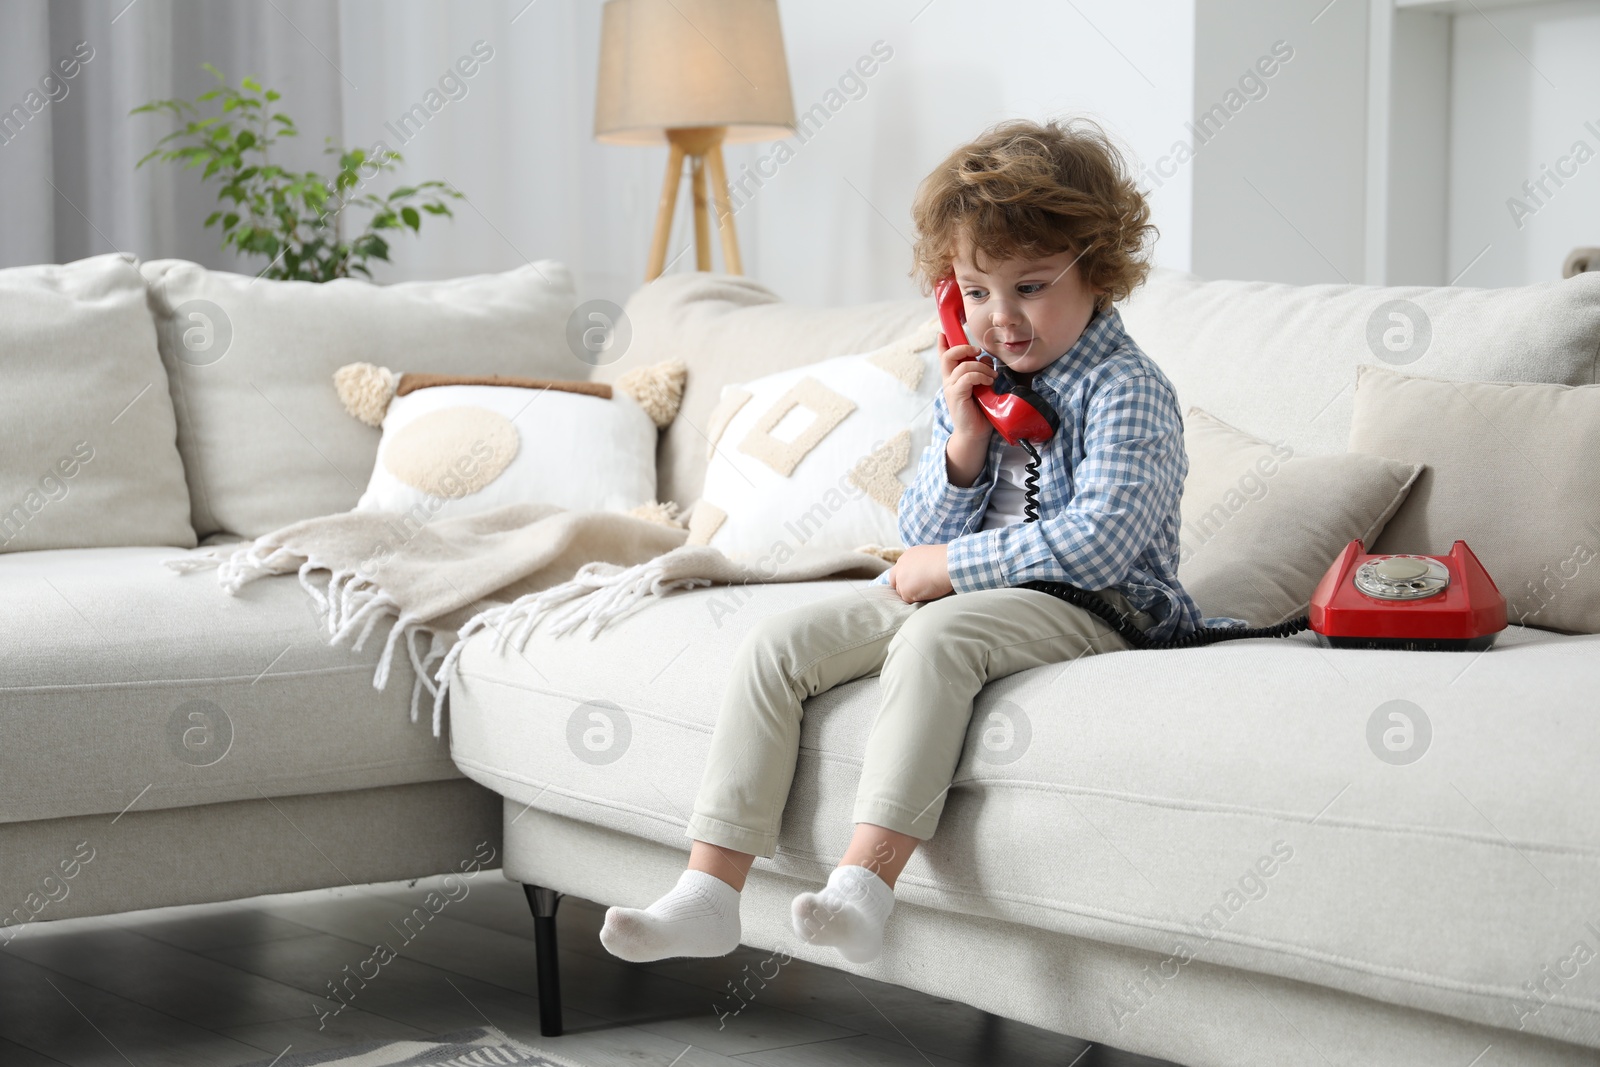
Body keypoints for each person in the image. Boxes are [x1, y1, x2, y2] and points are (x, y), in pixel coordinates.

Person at [599, 116, 1216, 965]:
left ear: (1098, 274)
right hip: (975, 589)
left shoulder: (1127, 390)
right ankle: (710, 891)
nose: (1001, 318)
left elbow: (1102, 543)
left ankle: (865, 882)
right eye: (975, 290)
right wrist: (965, 444)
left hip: (1098, 605)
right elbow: (920, 535)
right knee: (780, 643)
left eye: (1031, 287)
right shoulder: (978, 380)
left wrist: (951, 565)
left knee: (938, 633)